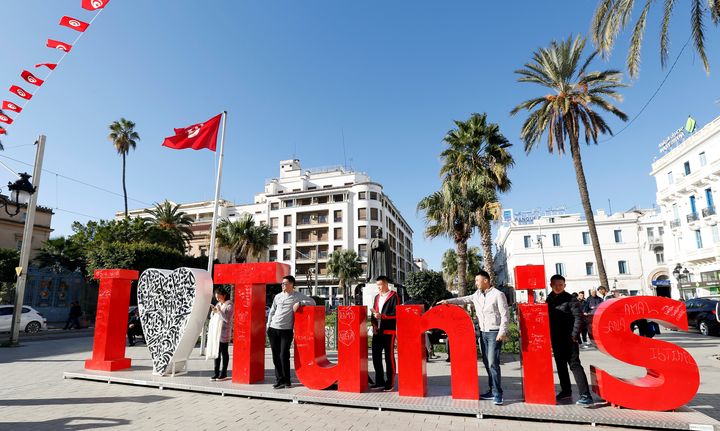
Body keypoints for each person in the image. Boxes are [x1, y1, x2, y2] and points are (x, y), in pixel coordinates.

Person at [438, 270, 509, 406]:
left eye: (477, 280)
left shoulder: (498, 295)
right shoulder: (477, 295)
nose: (476, 283)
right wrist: (448, 301)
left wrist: (502, 332)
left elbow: (505, 314)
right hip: (482, 333)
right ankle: (491, 389)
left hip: (494, 333)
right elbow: (463, 299)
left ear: (486, 280)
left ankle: (498, 394)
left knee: (493, 363)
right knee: (487, 363)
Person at [547, 274, 593, 406]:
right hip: (556, 339)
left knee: (574, 365)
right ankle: (566, 391)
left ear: (564, 285)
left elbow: (579, 318)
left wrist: (574, 335)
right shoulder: (549, 299)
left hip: (569, 338)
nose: (558, 287)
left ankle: (585, 395)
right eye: (555, 284)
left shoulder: (571, 299)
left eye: (560, 284)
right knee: (561, 366)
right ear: (551, 285)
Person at [267, 275, 315, 389]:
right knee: (275, 356)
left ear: (292, 284)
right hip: (273, 329)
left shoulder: (297, 296)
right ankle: (279, 380)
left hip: (286, 331)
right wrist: (268, 325)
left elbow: (312, 302)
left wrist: (301, 303)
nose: (283, 285)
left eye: (285, 283)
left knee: (284, 355)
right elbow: (272, 311)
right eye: (282, 283)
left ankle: (287, 381)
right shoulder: (278, 296)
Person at [370, 275, 400, 392]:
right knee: (376, 357)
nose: (379, 287)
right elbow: (374, 312)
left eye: (380, 285)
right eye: (377, 285)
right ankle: (379, 382)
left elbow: (397, 314)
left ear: (386, 284)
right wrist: (373, 322)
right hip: (377, 331)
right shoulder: (377, 297)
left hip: (389, 331)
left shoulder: (394, 296)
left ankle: (390, 383)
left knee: (389, 357)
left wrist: (382, 316)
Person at [211, 288, 233, 381]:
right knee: (217, 353)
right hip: (216, 331)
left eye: (219, 297)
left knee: (224, 352)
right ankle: (216, 373)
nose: (217, 299)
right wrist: (214, 312)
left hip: (224, 332)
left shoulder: (229, 305)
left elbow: (227, 319)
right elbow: (214, 316)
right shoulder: (218, 304)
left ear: (223, 295)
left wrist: (219, 312)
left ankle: (223, 373)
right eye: (216, 297)